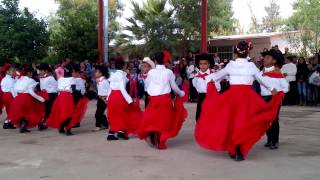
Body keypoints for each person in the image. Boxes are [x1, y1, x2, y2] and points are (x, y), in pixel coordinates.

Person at [195, 41, 285, 161]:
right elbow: (261, 79)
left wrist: (205, 79)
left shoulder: (231, 65)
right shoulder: (251, 66)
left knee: (232, 123)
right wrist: (274, 89)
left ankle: (235, 149)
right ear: (248, 52)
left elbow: (216, 76)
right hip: (247, 98)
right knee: (243, 124)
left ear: (235, 53)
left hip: (231, 97)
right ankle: (238, 150)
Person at [138, 52, 187, 150]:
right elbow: (174, 86)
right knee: (165, 121)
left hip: (154, 100)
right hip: (165, 99)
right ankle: (161, 142)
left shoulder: (151, 72)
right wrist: (181, 93)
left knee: (153, 120)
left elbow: (147, 85)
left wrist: (150, 92)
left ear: (155, 61)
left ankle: (154, 138)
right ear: (165, 60)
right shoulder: (169, 72)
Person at [260, 49, 289, 150]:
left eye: (268, 58)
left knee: (274, 119)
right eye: (264, 57)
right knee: (266, 120)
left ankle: (275, 141)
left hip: (275, 99)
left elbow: (286, 87)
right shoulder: (260, 73)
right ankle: (269, 139)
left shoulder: (278, 74)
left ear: (274, 61)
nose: (264, 59)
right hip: (263, 99)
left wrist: (280, 93)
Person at [106, 59, 142, 141]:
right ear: (123, 66)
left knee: (114, 115)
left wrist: (108, 98)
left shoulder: (113, 74)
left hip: (112, 96)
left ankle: (111, 134)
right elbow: (122, 88)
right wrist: (129, 99)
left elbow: (110, 87)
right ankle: (121, 133)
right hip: (120, 96)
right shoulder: (122, 75)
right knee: (124, 114)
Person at [8, 67, 46, 133]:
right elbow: (31, 92)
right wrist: (41, 99)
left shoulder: (19, 79)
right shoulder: (30, 80)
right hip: (27, 98)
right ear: (28, 73)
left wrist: (16, 98)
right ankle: (40, 125)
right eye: (31, 72)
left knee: (23, 113)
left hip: (18, 98)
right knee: (35, 111)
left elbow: (13, 90)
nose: (31, 74)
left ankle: (23, 126)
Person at [46, 64, 78, 136]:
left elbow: (58, 89)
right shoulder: (72, 79)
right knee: (69, 113)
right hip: (67, 97)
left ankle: (61, 127)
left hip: (60, 97)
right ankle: (68, 129)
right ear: (72, 72)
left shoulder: (60, 79)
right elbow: (73, 90)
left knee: (61, 113)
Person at [192, 53, 221, 121]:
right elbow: (195, 86)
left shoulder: (213, 75)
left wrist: (214, 85)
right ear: (198, 65)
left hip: (211, 98)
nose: (202, 66)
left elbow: (219, 88)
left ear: (209, 64)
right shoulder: (196, 76)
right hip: (201, 98)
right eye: (200, 64)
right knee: (199, 118)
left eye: (205, 64)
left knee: (211, 118)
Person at [38, 63, 58, 130]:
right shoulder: (41, 77)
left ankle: (45, 123)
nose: (40, 72)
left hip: (51, 95)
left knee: (49, 109)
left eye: (41, 70)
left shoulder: (50, 78)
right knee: (45, 109)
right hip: (44, 94)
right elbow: (41, 87)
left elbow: (56, 86)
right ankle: (44, 122)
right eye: (39, 70)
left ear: (46, 71)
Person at [94, 65, 110, 131]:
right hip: (100, 98)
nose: (95, 73)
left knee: (98, 113)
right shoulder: (99, 80)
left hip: (104, 98)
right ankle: (105, 124)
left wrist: (105, 99)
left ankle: (98, 125)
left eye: (97, 72)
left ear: (101, 73)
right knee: (100, 112)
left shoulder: (104, 81)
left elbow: (109, 90)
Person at [1, 65, 17, 129]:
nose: (14, 72)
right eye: (12, 71)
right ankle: (7, 123)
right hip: (10, 95)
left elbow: (2, 87)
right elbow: (12, 89)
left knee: (9, 110)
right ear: (7, 72)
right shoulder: (10, 80)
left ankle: (8, 123)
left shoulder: (4, 79)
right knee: (11, 110)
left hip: (5, 95)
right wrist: (16, 97)